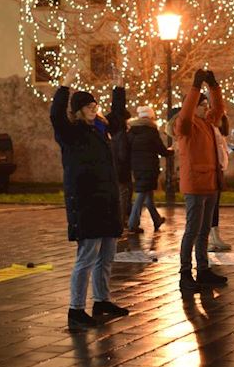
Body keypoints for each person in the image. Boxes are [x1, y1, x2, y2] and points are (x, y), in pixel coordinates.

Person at [51, 75, 130, 328]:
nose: (94, 109)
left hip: (106, 201)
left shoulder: (100, 129)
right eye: (88, 106)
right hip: (86, 202)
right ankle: (76, 309)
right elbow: (56, 116)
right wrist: (63, 88)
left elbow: (117, 118)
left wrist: (118, 89)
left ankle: (101, 300)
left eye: (95, 105)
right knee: (86, 258)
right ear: (78, 110)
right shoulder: (70, 133)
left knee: (106, 256)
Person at [174, 70, 229, 292]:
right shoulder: (186, 125)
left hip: (210, 183)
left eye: (206, 105)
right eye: (202, 105)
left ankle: (203, 269)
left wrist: (214, 86)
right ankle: (185, 273)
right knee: (192, 230)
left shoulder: (208, 123)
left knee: (204, 230)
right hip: (195, 184)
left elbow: (219, 109)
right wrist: (195, 87)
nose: (207, 108)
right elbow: (185, 114)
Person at [127, 105, 169, 233]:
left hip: (136, 167)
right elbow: (161, 149)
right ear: (151, 117)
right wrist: (171, 151)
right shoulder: (151, 131)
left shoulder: (131, 131)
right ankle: (132, 223)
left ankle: (157, 220)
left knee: (147, 194)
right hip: (149, 168)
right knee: (142, 194)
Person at [209, 115, 232, 252]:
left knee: (214, 205)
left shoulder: (218, 131)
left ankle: (215, 237)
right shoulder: (210, 128)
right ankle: (207, 239)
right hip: (212, 169)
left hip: (218, 169)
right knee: (209, 206)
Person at [109, 104, 134, 232]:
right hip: (122, 170)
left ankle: (125, 220)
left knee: (123, 195)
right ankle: (122, 221)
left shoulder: (115, 135)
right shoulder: (123, 135)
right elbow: (123, 155)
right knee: (124, 196)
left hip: (117, 169)